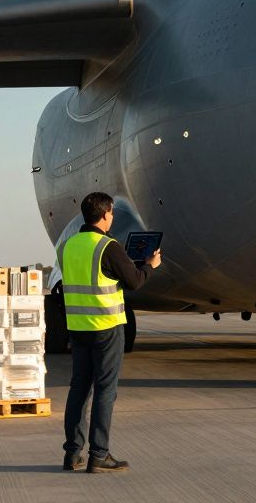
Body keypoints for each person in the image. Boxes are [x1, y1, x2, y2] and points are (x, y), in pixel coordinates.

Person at [59, 192, 161, 473]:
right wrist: (150, 266)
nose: (112, 218)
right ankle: (99, 454)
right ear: (105, 215)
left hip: (78, 328)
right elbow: (135, 281)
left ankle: (72, 454)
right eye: (112, 213)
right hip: (106, 328)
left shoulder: (68, 246)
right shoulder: (108, 246)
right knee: (105, 391)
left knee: (79, 389)